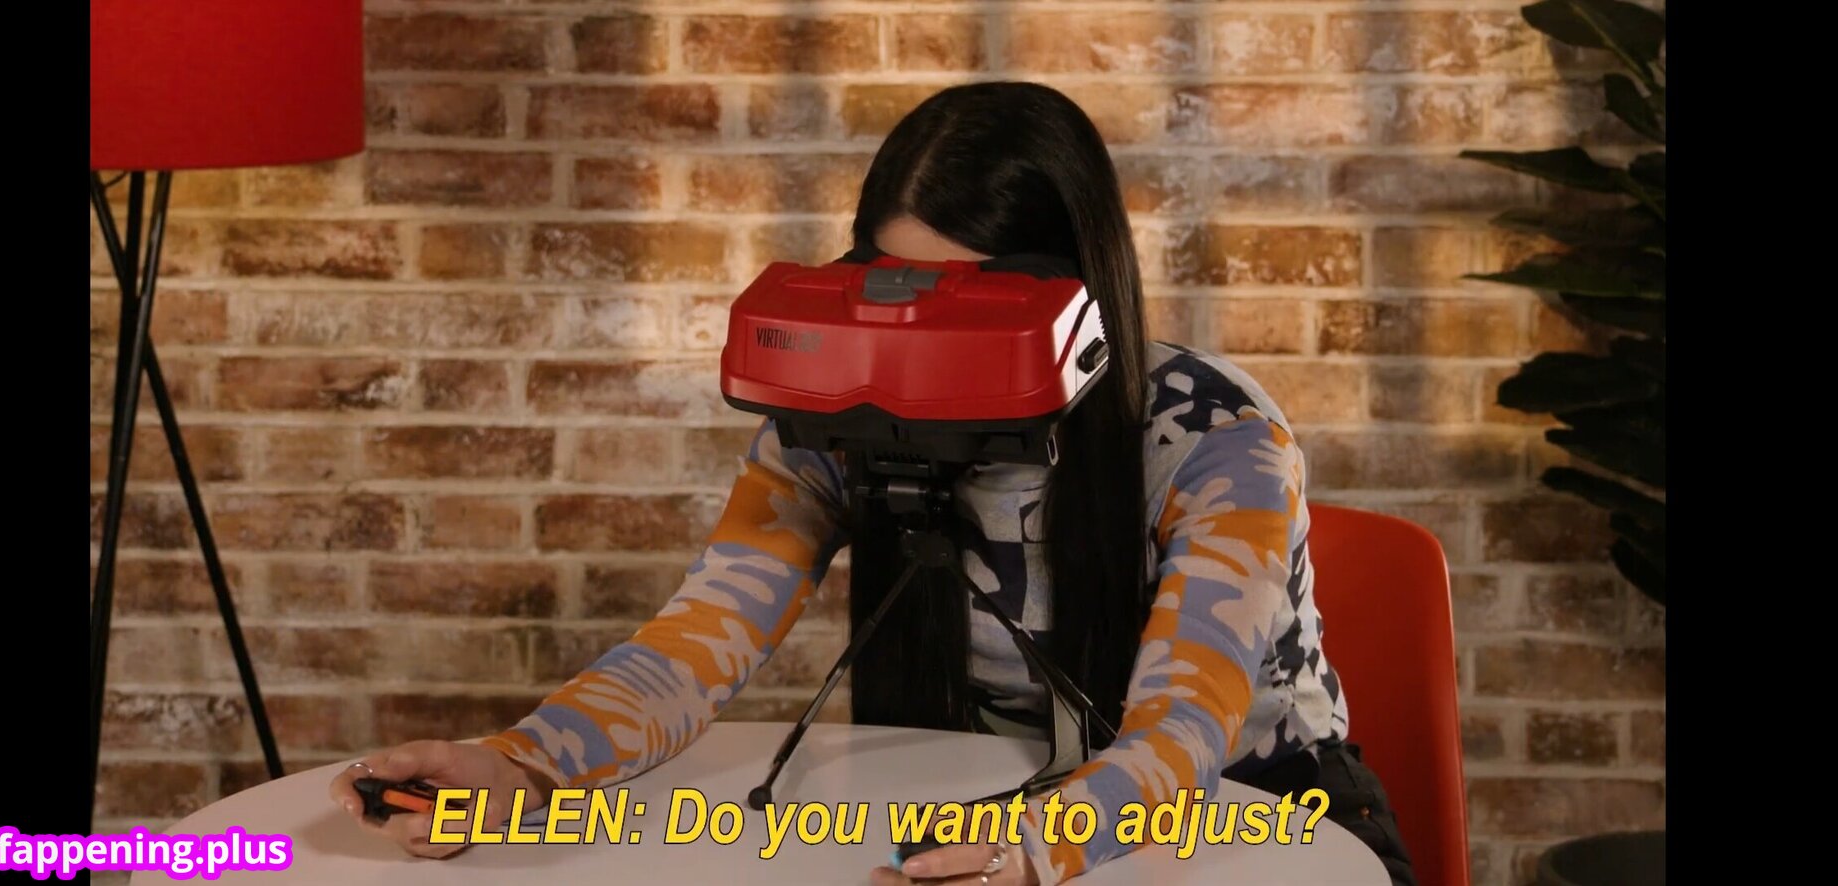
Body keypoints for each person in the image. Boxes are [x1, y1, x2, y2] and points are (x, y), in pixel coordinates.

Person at [328, 80, 1417, 886]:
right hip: (986, 810)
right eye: (901, 291)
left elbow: (1187, 725)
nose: (923, 344)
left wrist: (1043, 846)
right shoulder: (839, 416)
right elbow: (700, 637)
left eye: (971, 305)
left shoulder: (1215, 433)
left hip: (1261, 823)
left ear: (1070, 296)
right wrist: (524, 765)